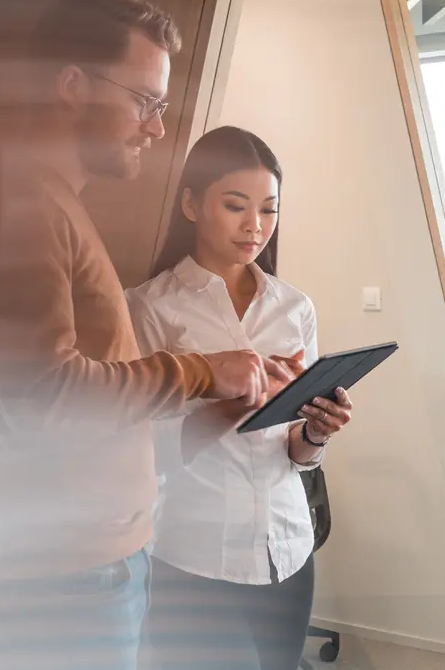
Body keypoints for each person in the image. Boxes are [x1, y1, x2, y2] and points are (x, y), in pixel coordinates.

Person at [0, 0, 291, 670]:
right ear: (73, 85)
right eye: (145, 101)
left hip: (97, 563)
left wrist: (227, 403)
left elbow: (104, 419)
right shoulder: (27, 206)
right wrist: (203, 370)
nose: (156, 128)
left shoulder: (56, 206)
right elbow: (47, 398)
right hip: (67, 578)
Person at [126, 126, 354, 670]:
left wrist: (316, 432)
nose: (255, 226)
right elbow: (146, 449)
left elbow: (292, 452)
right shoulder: (150, 307)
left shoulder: (295, 308)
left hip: (287, 548)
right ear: (190, 203)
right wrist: (234, 405)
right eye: (236, 206)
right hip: (195, 555)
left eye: (269, 210)